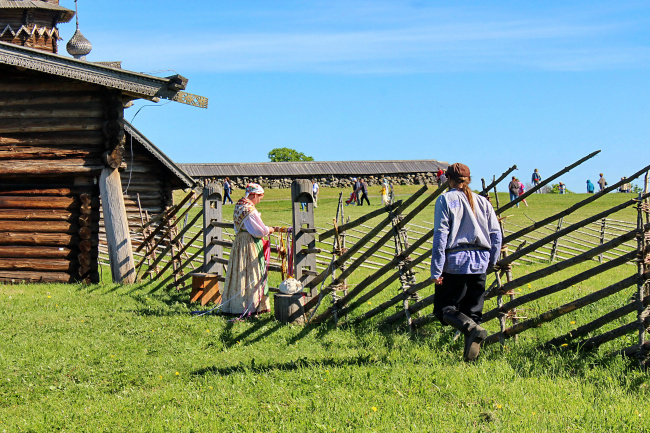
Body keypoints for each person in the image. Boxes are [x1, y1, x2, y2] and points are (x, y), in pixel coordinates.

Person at [430, 163, 502, 362]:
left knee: (444, 308)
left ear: (449, 180)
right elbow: (496, 235)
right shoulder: (483, 202)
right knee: (473, 311)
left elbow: (441, 236)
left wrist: (436, 270)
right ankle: (471, 360)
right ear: (468, 180)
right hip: (480, 260)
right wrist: (491, 261)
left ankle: (471, 330)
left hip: (456, 262)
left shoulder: (445, 199)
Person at [220, 183, 278, 316]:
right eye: (259, 197)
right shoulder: (249, 210)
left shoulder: (239, 206)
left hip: (239, 241)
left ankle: (235, 305)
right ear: (255, 194)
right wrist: (270, 229)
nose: (259, 200)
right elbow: (260, 230)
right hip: (248, 243)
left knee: (239, 272)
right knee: (250, 272)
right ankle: (249, 306)